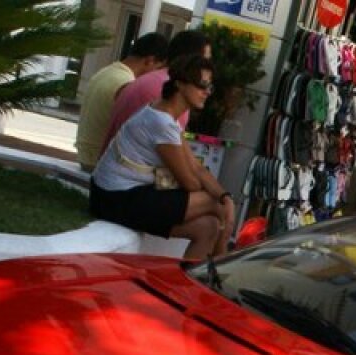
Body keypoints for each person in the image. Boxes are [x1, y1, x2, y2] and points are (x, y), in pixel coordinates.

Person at [90, 55, 235, 261]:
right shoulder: (161, 122)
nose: (207, 92)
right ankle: (222, 261)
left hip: (119, 194)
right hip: (114, 198)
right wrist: (224, 205)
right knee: (215, 205)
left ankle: (181, 288)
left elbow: (197, 167)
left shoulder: (166, 116)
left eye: (209, 87)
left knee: (207, 228)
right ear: (180, 84)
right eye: (202, 85)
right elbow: (191, 182)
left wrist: (226, 196)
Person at [102, 29, 211, 158]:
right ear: (192, 61)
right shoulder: (169, 91)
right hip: (126, 172)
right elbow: (178, 161)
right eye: (205, 61)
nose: (208, 69)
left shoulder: (152, 79)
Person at [74, 34, 169, 172]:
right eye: (158, 70)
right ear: (150, 61)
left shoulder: (106, 72)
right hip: (100, 161)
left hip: (85, 155)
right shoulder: (127, 83)